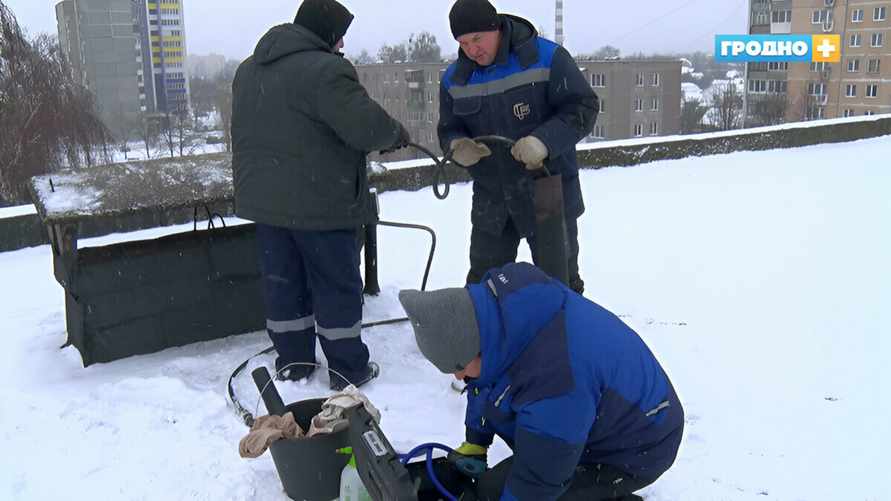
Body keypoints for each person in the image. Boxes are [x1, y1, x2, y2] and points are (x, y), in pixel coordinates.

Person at [231, 0, 410, 390]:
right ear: (327, 32)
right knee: (335, 287)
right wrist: (395, 134)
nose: (343, 43)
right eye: (340, 34)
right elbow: (364, 125)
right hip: (320, 205)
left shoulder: (247, 70)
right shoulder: (326, 70)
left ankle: (293, 362)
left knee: (284, 284)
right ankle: (347, 369)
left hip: (267, 205)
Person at [398, 263, 684, 501]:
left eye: (457, 367)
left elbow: (537, 481)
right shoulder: (497, 313)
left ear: (474, 346)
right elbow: (486, 380)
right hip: (589, 412)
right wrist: (477, 440)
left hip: (640, 443)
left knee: (496, 491)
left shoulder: (554, 377)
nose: (458, 377)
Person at [438, 0, 599, 294]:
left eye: (477, 39)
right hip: (492, 196)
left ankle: (561, 338)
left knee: (560, 281)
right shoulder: (454, 79)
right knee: (485, 287)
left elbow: (583, 108)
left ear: (496, 27)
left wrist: (544, 141)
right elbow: (449, 128)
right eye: (463, 43)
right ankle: (489, 339)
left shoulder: (547, 58)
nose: (472, 50)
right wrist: (456, 145)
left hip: (547, 189)